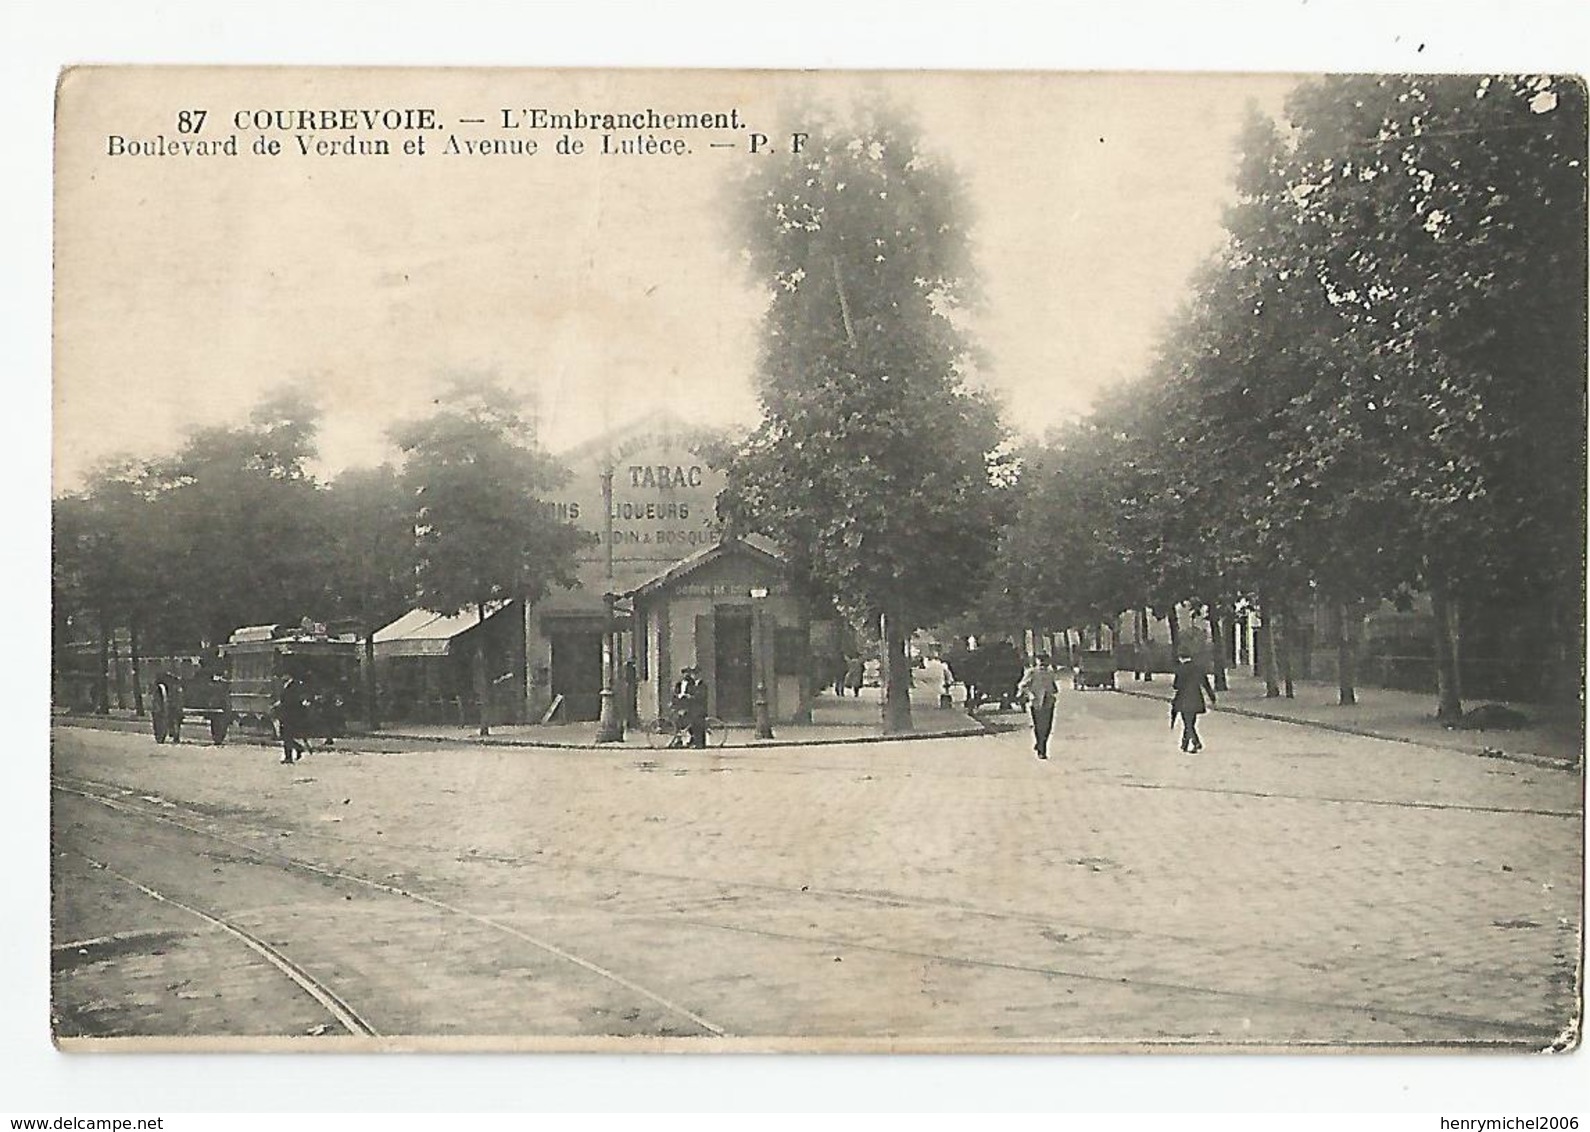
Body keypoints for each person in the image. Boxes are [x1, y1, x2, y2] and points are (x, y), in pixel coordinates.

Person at [1170, 652, 1217, 753]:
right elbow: (1205, 684)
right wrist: (1212, 697)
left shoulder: (1181, 669)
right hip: (1196, 698)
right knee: (1191, 722)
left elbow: (1176, 685)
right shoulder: (1198, 668)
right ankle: (1185, 743)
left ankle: (1196, 742)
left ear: (1181, 658)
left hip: (1184, 699)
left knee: (1187, 723)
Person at [1016, 653, 1061, 760]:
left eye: (1044, 662)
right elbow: (1022, 685)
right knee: (1039, 726)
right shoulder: (1032, 672)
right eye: (1040, 661)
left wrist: (1053, 692)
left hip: (1048, 702)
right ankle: (1042, 750)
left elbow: (1054, 688)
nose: (1042, 664)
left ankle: (1041, 743)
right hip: (1036, 703)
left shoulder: (1050, 673)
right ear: (1037, 661)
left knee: (1048, 727)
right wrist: (1030, 694)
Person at [274, 673, 310, 764]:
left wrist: (281, 704)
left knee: (286, 736)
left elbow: (291, 701)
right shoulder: (287, 686)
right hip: (288, 715)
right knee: (286, 737)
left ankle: (290, 755)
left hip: (290, 715)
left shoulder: (293, 687)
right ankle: (296, 750)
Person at [670, 666, 708, 749]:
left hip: (689, 706)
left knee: (691, 722)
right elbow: (675, 695)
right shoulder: (679, 684)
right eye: (684, 673)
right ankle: (678, 740)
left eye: (687, 673)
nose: (686, 675)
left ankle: (694, 740)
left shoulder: (692, 684)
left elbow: (694, 695)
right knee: (678, 722)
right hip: (680, 706)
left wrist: (688, 697)